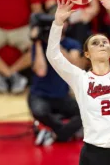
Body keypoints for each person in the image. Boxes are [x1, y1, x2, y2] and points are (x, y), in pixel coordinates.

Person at [47, 0, 110, 164]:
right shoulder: (80, 79)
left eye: (105, 42)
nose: (102, 44)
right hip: (92, 155)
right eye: (95, 43)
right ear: (87, 54)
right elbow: (53, 55)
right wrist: (57, 23)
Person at [28, 14, 82, 146]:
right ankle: (64, 132)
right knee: (39, 111)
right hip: (40, 96)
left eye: (63, 22)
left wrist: (55, 43)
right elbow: (41, 71)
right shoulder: (39, 45)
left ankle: (53, 133)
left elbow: (74, 65)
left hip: (62, 96)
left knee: (87, 111)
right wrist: (38, 42)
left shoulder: (71, 44)